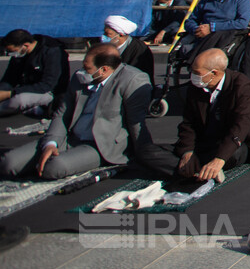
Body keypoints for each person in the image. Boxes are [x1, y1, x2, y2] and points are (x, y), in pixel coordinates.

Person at [0, 45, 151, 180]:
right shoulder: (80, 78)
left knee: (53, 168)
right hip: (71, 136)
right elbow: (62, 113)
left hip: (101, 144)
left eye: (88, 68)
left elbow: (135, 122)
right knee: (9, 163)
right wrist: (51, 143)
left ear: (104, 69)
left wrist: (145, 155)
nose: (83, 71)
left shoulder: (132, 80)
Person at [138, 49, 250, 180]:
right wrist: (187, 152)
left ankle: (199, 169)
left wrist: (219, 159)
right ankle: (200, 171)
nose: (193, 76)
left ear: (214, 73)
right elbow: (188, 123)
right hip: (204, 143)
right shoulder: (196, 87)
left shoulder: (241, 85)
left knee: (235, 153)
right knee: (146, 152)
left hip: (231, 144)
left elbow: (241, 125)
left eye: (197, 72)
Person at [182, 0, 250, 61]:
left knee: (217, 37)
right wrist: (197, 29)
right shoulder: (206, 1)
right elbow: (190, 21)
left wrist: (212, 27)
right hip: (203, 36)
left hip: (226, 37)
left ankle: (199, 61)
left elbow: (242, 23)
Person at [0, 29, 69, 119]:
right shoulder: (20, 54)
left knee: (20, 100)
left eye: (13, 51)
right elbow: (9, 78)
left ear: (25, 45)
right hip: (27, 87)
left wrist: (10, 93)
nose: (11, 54)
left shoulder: (52, 51)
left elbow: (47, 85)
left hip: (49, 92)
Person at [101, 15, 153, 87]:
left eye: (108, 34)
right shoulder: (103, 48)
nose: (104, 36)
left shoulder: (139, 49)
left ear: (121, 35)